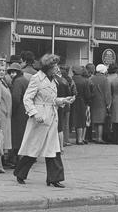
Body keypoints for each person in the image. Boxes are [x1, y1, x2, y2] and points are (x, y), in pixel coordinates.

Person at [14, 53, 74, 187]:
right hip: (40, 118)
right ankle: (20, 173)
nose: (57, 68)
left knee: (53, 148)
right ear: (48, 67)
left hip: (51, 116)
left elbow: (51, 100)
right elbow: (27, 98)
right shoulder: (37, 79)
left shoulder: (53, 80)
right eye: (54, 66)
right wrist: (34, 113)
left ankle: (54, 178)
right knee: (34, 147)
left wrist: (63, 100)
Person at [8, 61, 29, 166]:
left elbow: (16, 98)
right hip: (25, 110)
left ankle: (16, 159)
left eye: (13, 72)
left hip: (18, 111)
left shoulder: (17, 82)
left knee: (16, 136)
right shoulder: (24, 80)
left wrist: (12, 110)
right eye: (10, 72)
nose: (12, 74)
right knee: (22, 135)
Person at [89, 63, 111, 144]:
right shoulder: (105, 79)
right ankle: (99, 138)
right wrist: (108, 103)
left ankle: (96, 137)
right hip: (102, 102)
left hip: (94, 101)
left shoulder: (91, 78)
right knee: (101, 121)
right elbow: (107, 93)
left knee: (95, 120)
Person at [56, 64, 76, 148]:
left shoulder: (55, 80)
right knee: (66, 124)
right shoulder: (68, 80)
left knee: (59, 123)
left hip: (57, 103)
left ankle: (58, 142)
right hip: (66, 104)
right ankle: (66, 140)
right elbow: (73, 92)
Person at [71, 65, 91, 145]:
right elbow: (88, 94)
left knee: (75, 120)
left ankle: (77, 138)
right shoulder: (84, 81)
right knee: (81, 120)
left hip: (72, 101)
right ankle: (80, 139)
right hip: (82, 102)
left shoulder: (71, 79)